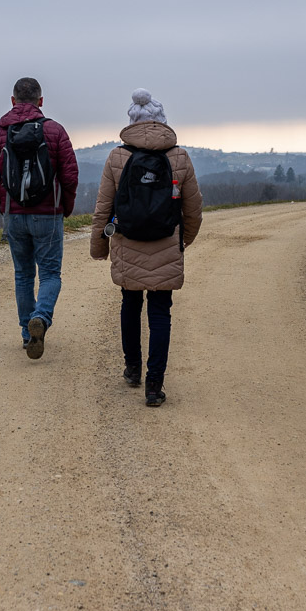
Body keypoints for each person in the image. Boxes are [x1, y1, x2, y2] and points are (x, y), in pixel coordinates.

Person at [90, 89, 202, 406]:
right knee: (160, 312)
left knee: (130, 303)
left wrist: (100, 247)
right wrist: (183, 240)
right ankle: (154, 385)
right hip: (166, 242)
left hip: (127, 241)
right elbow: (193, 209)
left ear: (132, 121)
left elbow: (103, 208)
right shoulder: (179, 157)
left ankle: (132, 369)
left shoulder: (117, 157)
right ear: (162, 121)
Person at [0, 77, 79, 359]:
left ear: (13, 101)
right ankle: (41, 318)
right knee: (50, 274)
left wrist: (4, 207)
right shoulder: (55, 131)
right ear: (41, 101)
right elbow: (70, 176)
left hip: (15, 215)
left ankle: (27, 333)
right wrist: (65, 207)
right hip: (48, 214)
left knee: (23, 274)